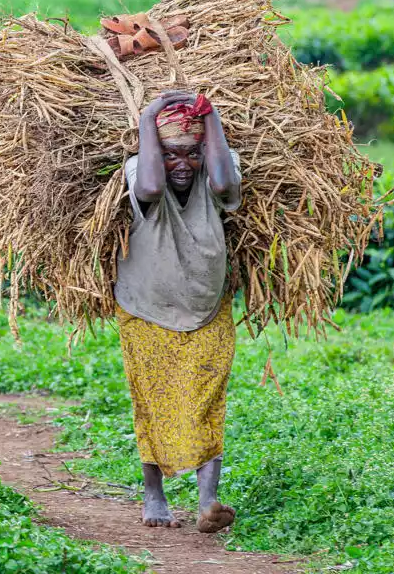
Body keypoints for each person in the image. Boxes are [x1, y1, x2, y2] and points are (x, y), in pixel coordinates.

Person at [112, 89, 243, 533]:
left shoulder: (218, 168)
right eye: (170, 154)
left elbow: (226, 185)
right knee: (152, 401)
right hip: (146, 308)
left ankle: (209, 501)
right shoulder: (139, 170)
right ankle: (154, 492)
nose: (181, 164)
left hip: (207, 306)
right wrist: (149, 115)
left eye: (191, 153)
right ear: (153, 149)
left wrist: (213, 121)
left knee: (207, 400)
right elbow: (150, 187)